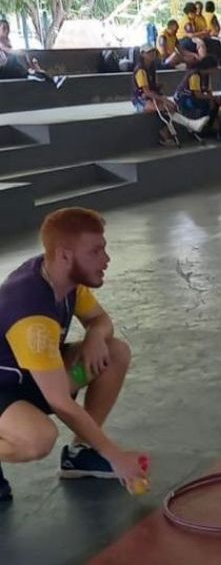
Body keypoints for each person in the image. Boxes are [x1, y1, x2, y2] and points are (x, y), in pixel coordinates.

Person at [0, 208, 148, 502]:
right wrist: (115, 456)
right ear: (65, 255)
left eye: (104, 249)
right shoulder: (31, 313)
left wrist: (95, 335)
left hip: (36, 377)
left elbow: (101, 321)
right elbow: (60, 402)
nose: (106, 260)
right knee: (37, 439)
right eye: (95, 252)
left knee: (114, 352)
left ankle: (80, 453)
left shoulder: (65, 280)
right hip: (6, 388)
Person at [131, 45, 207, 144]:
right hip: (140, 100)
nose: (152, 54)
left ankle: (168, 132)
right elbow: (146, 91)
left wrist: (158, 87)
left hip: (149, 96)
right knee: (165, 106)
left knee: (172, 106)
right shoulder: (141, 70)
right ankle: (187, 125)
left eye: (153, 52)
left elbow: (151, 87)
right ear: (142, 54)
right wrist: (163, 99)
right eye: (149, 52)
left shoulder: (151, 66)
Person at [0, 20, 65, 88]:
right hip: (4, 73)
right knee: (15, 58)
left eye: (8, 28)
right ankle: (34, 73)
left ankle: (40, 74)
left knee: (21, 57)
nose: (6, 30)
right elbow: (8, 57)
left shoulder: (7, 43)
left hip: (12, 71)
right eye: (4, 28)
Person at [174, 56, 221, 132]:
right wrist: (212, 98)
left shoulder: (207, 76)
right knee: (204, 104)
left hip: (194, 96)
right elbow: (197, 94)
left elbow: (208, 91)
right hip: (184, 97)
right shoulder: (195, 75)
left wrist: (213, 98)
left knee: (215, 103)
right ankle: (200, 124)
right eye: (215, 68)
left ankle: (209, 125)